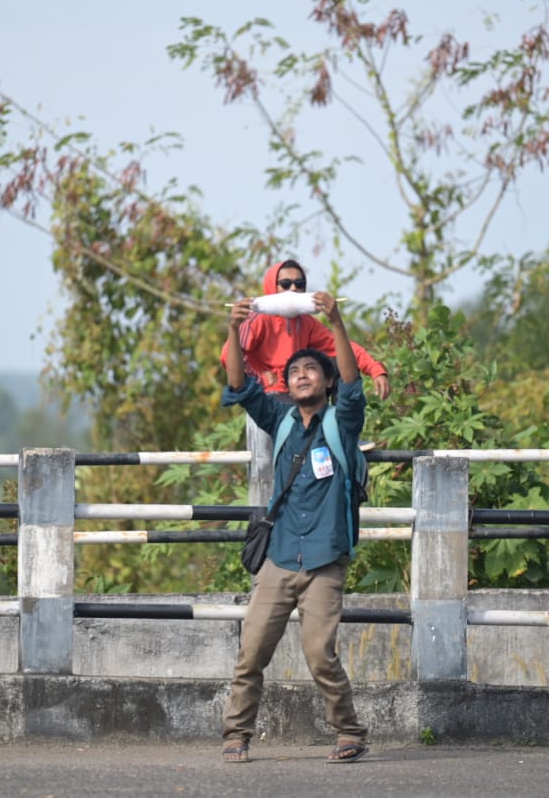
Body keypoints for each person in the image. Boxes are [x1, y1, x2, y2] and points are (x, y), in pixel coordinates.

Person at [219, 289, 370, 765]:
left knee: (320, 654)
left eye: (311, 370)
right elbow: (240, 384)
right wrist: (234, 330)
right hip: (280, 557)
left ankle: (349, 732)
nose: (301, 375)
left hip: (325, 557)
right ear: (286, 385)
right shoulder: (280, 418)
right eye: (294, 372)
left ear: (325, 382)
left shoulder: (340, 422)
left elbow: (352, 381)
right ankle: (236, 734)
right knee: (251, 655)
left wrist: (337, 323)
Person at [220, 260, 391, 401]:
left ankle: (343, 429)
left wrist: (376, 370)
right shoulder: (257, 320)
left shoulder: (307, 322)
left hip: (298, 388)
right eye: (285, 284)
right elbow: (227, 357)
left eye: (299, 283)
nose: (293, 289)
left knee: (338, 363)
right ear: (272, 287)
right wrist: (259, 378)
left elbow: (344, 348)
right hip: (270, 394)